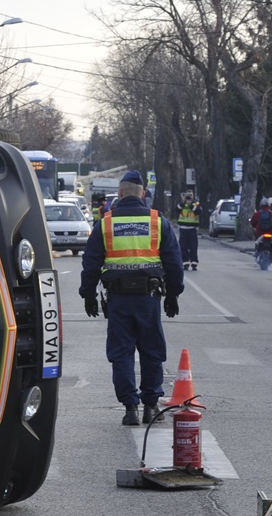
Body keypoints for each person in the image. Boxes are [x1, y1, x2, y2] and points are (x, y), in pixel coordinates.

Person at [79, 170, 185, 427]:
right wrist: (173, 294)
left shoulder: (105, 223)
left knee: (121, 353)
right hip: (148, 299)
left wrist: (89, 294)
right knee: (152, 351)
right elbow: (173, 261)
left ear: (121, 192)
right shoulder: (157, 221)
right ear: (143, 194)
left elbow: (91, 262)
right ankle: (150, 406)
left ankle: (130, 408)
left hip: (119, 299)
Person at [175, 189, 202, 270]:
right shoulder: (182, 204)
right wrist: (183, 202)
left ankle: (194, 263)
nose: (189, 196)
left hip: (192, 229)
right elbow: (176, 210)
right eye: (188, 195)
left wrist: (191, 205)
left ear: (193, 195)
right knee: (183, 247)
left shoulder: (196, 203)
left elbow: (198, 211)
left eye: (190, 195)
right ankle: (185, 263)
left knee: (193, 247)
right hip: (183, 229)